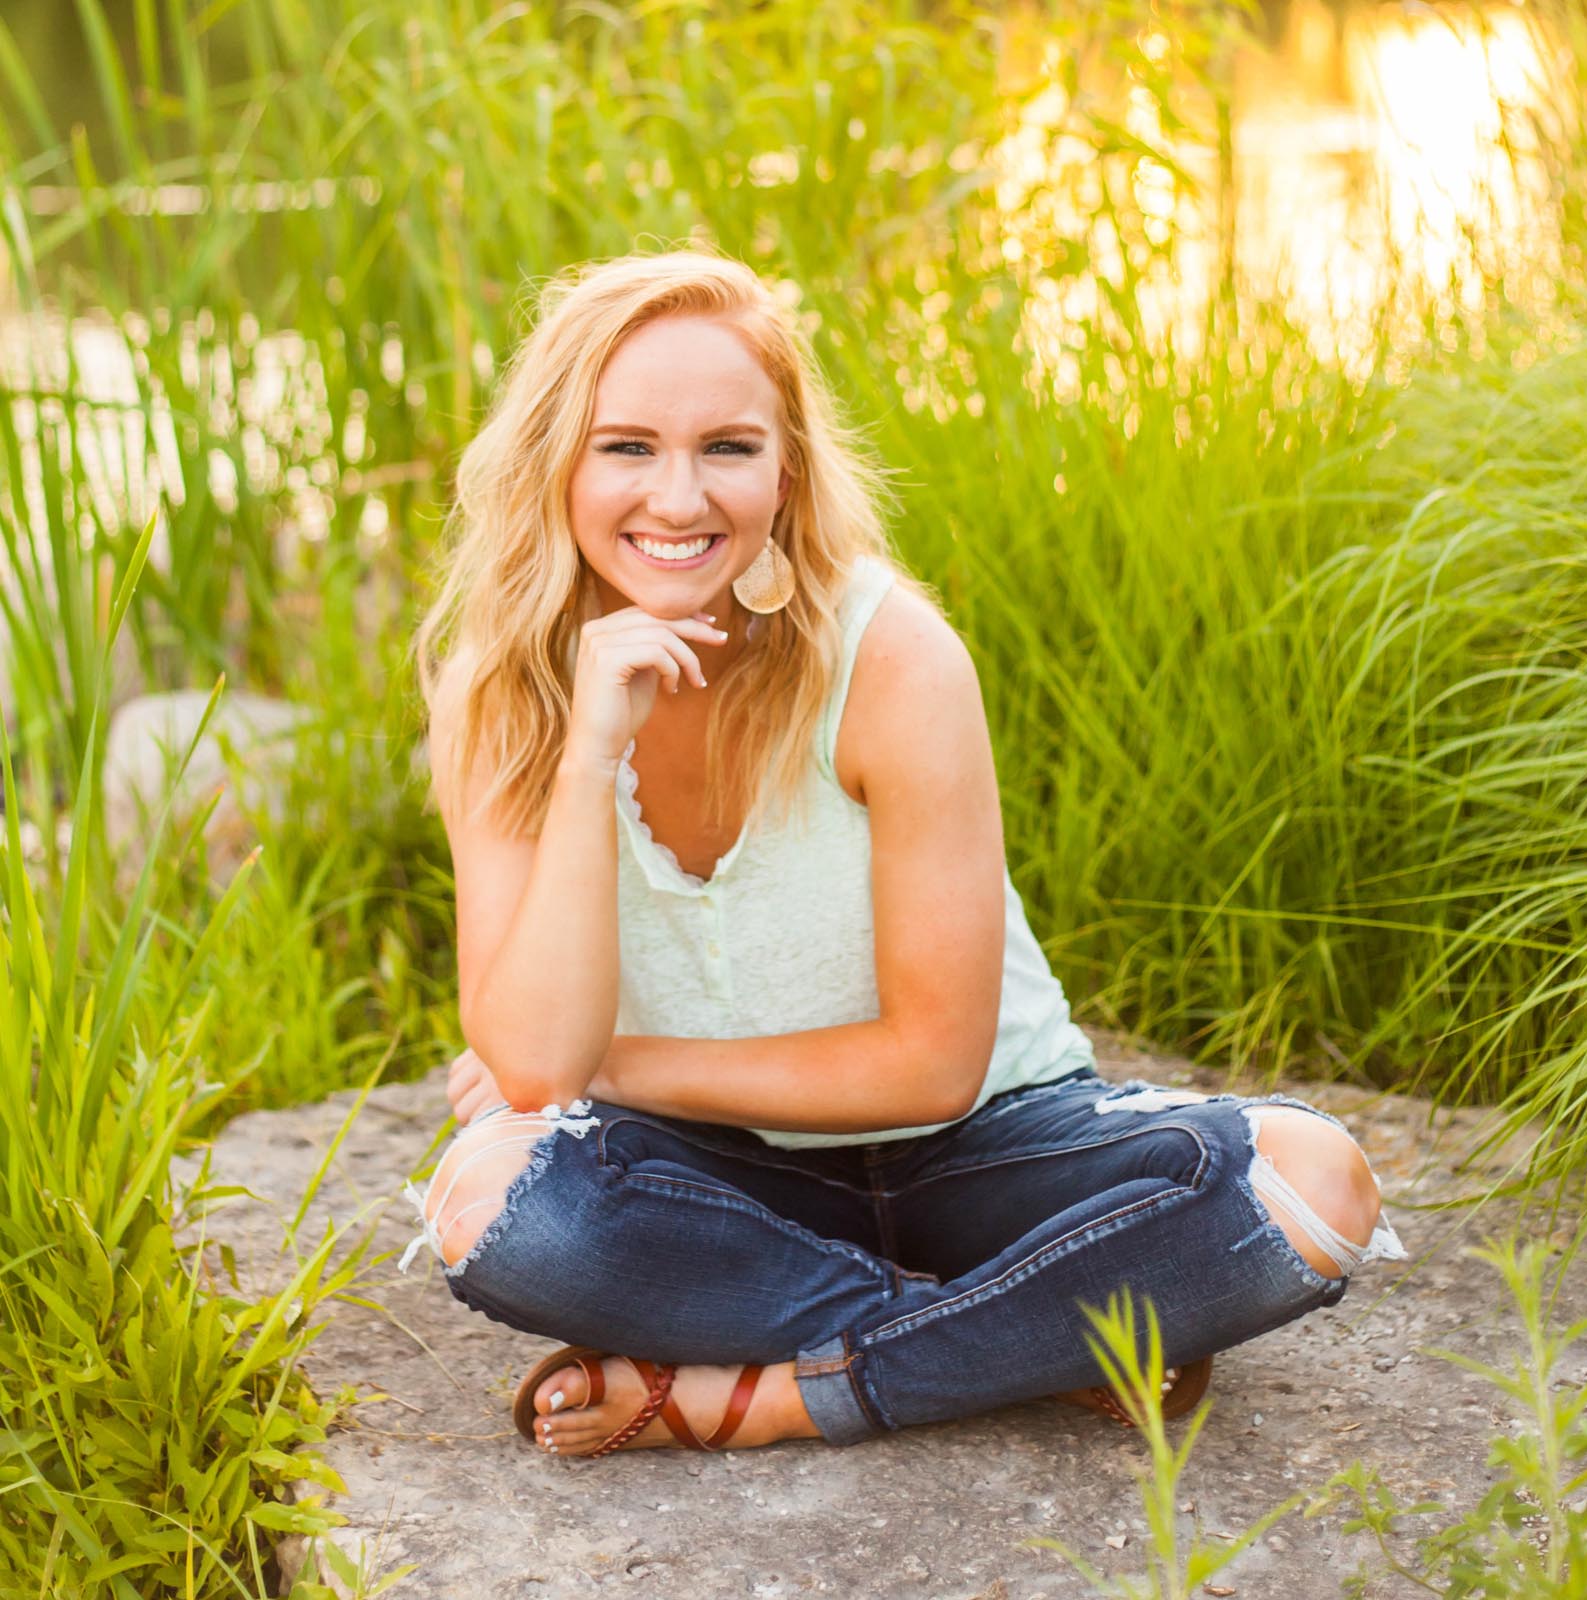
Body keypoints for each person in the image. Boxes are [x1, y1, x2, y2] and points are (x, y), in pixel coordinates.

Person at [400, 247, 1404, 1460]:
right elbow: (530, 1069)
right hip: (725, 1182)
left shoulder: (893, 660)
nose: (678, 499)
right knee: (495, 1205)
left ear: (787, 471)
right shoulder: (500, 691)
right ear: (556, 461)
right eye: (626, 447)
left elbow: (928, 1068)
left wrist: (610, 1067)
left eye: (728, 447)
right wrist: (586, 748)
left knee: (1311, 1180)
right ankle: (1043, 1331)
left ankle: (770, 1394)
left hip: (988, 1151)